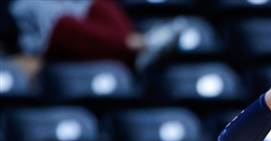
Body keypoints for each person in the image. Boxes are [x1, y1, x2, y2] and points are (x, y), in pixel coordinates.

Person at [8, 0, 185, 73]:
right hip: (47, 43)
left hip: (74, 18)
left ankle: (134, 46)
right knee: (65, 25)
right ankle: (136, 46)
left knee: (99, 5)